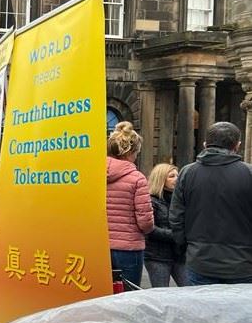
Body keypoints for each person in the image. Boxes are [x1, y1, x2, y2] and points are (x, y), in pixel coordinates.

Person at [170, 121, 252, 285]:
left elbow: (176, 217)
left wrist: (187, 247)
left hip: (200, 260)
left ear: (205, 144)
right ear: (237, 145)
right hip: (242, 263)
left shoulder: (187, 172)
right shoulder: (249, 173)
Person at [106, 121, 154, 287]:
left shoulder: (94, 174)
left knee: (103, 295)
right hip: (129, 247)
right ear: (131, 152)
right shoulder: (137, 178)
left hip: (99, 246)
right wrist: (149, 230)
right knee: (129, 295)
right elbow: (145, 221)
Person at [144, 163, 188, 287]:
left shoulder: (181, 200)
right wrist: (175, 235)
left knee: (190, 288)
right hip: (157, 256)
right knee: (161, 291)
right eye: (171, 176)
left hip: (180, 254)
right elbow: (149, 228)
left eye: (177, 176)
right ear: (161, 178)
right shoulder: (151, 200)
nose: (177, 179)